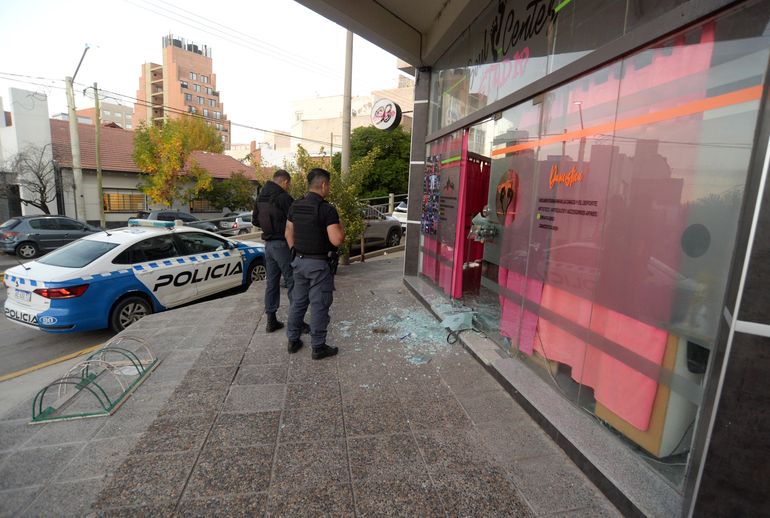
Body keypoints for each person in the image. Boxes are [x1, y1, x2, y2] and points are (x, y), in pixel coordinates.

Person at [285, 168, 345, 359]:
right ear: (324, 184)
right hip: (318, 265)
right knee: (319, 305)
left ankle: (293, 340)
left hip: (298, 262)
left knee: (298, 302)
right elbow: (336, 240)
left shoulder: (296, 205)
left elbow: (288, 232)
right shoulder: (327, 209)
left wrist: (295, 252)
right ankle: (318, 347)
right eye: (329, 185)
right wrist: (340, 224)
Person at [252, 169, 308, 334]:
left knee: (272, 283)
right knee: (292, 281)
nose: (288, 187)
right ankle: (297, 322)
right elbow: (296, 218)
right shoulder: (283, 198)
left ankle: (271, 320)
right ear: (285, 182)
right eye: (288, 184)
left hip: (268, 245)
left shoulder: (261, 197)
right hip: (282, 244)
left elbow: (255, 220)